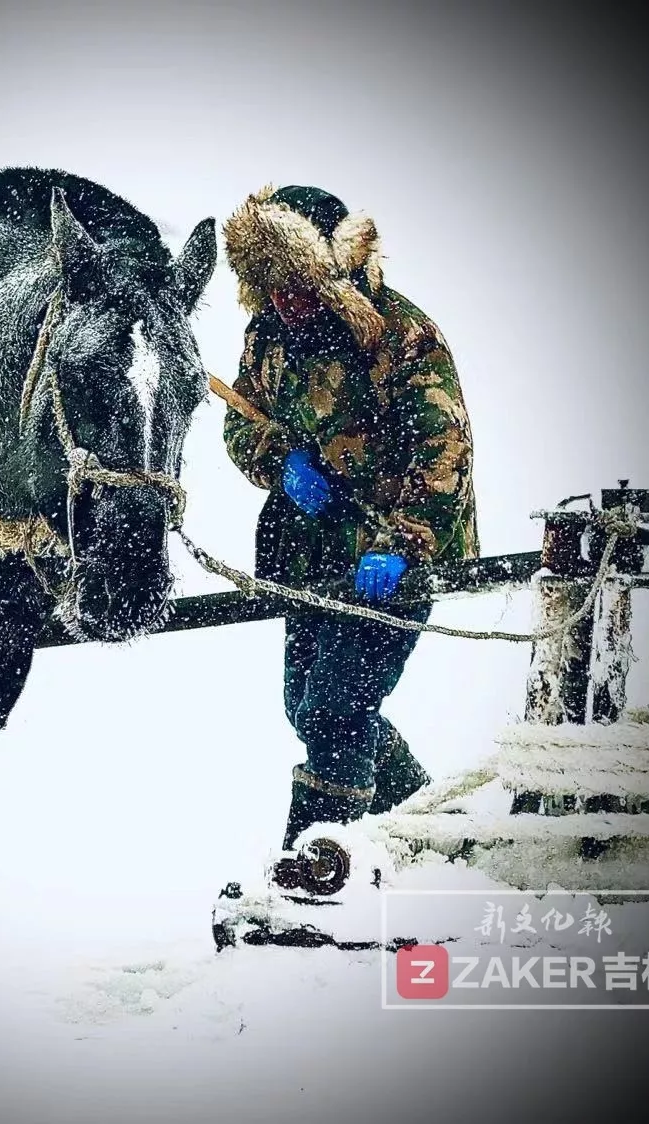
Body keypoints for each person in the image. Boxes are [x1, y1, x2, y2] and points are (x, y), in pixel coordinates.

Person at [221, 184, 479, 849]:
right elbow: (240, 421)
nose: (285, 299)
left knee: (334, 711)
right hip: (308, 557)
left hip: (392, 562)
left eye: (298, 282)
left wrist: (405, 543)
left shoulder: (400, 332)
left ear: (333, 272)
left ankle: (312, 877)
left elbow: (445, 447)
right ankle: (432, 829)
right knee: (308, 708)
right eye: (271, 283)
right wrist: (279, 462)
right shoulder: (268, 336)